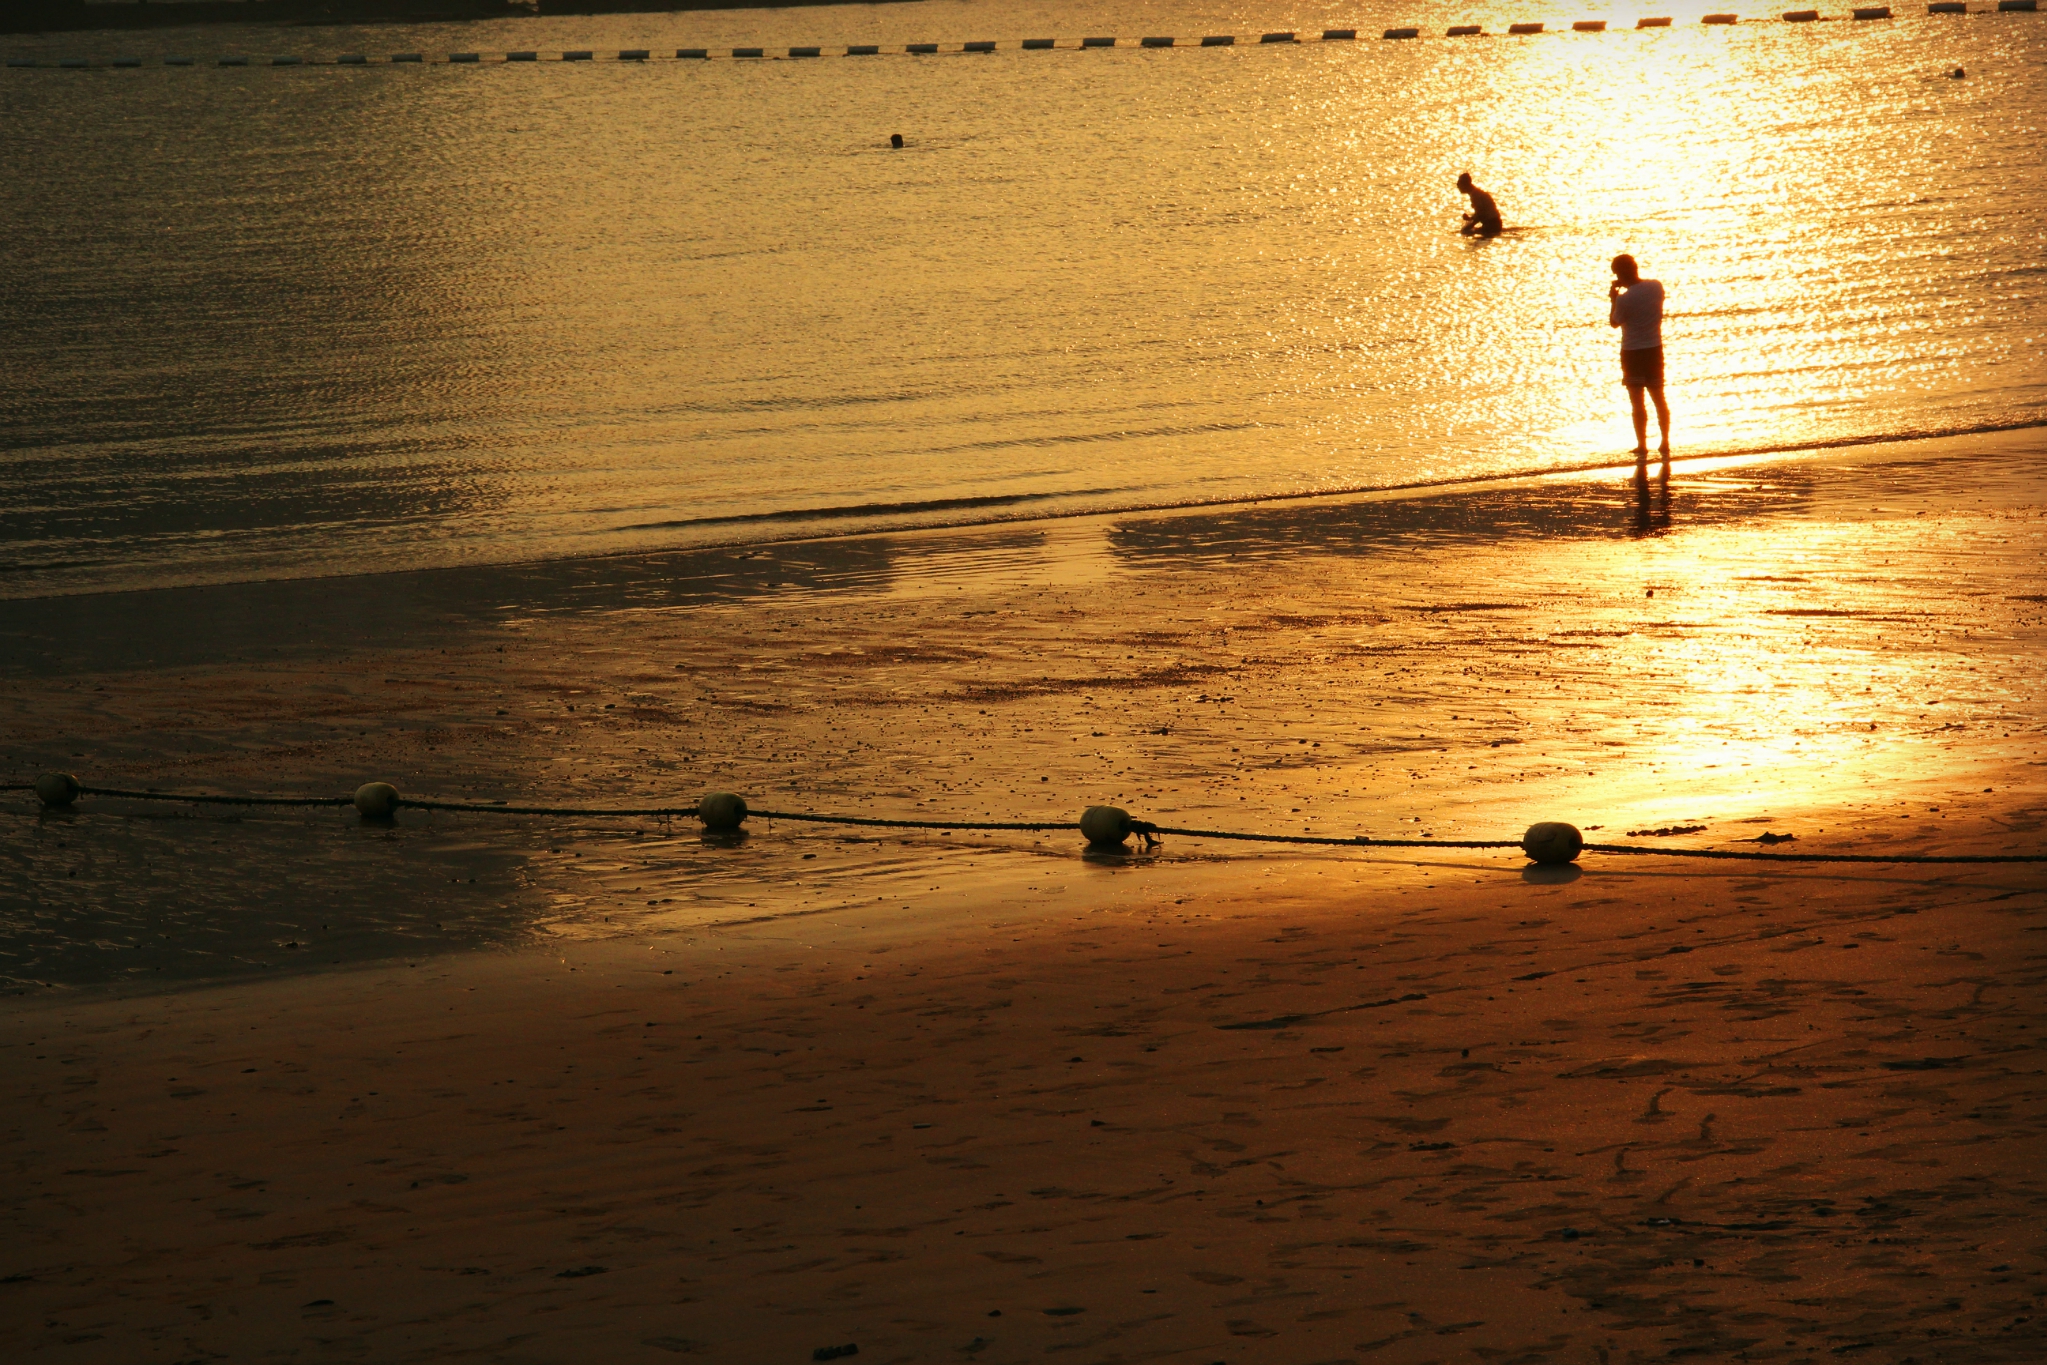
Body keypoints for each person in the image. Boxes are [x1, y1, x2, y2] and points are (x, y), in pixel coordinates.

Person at [1607, 254, 1669, 458]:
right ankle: (1665, 441)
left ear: (1621, 273)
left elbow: (1615, 322)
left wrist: (1614, 300)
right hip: (1654, 347)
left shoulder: (1625, 299)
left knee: (1637, 402)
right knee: (1659, 397)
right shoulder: (1656, 287)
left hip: (1632, 351)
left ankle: (1642, 445)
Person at [1456, 173, 1502, 237]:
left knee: (1466, 232)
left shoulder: (1475, 195)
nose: (1458, 186)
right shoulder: (1475, 193)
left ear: (1465, 185)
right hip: (1494, 224)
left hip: (1492, 225)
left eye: (1459, 183)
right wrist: (1470, 218)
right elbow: (1480, 213)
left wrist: (1468, 227)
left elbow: (1481, 214)